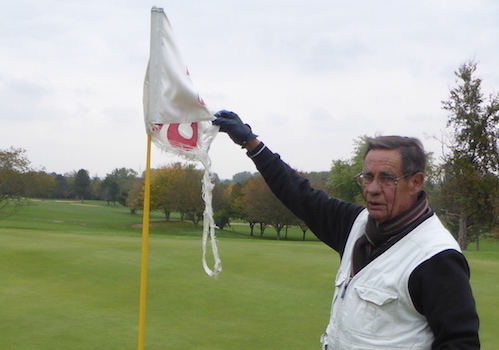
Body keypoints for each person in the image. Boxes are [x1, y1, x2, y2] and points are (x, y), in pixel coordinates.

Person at [213, 110, 480, 350]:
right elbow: (299, 194)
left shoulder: (436, 257)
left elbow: (461, 343)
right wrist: (252, 144)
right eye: (367, 177)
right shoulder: (357, 224)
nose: (372, 189)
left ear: (415, 182)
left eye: (387, 178)